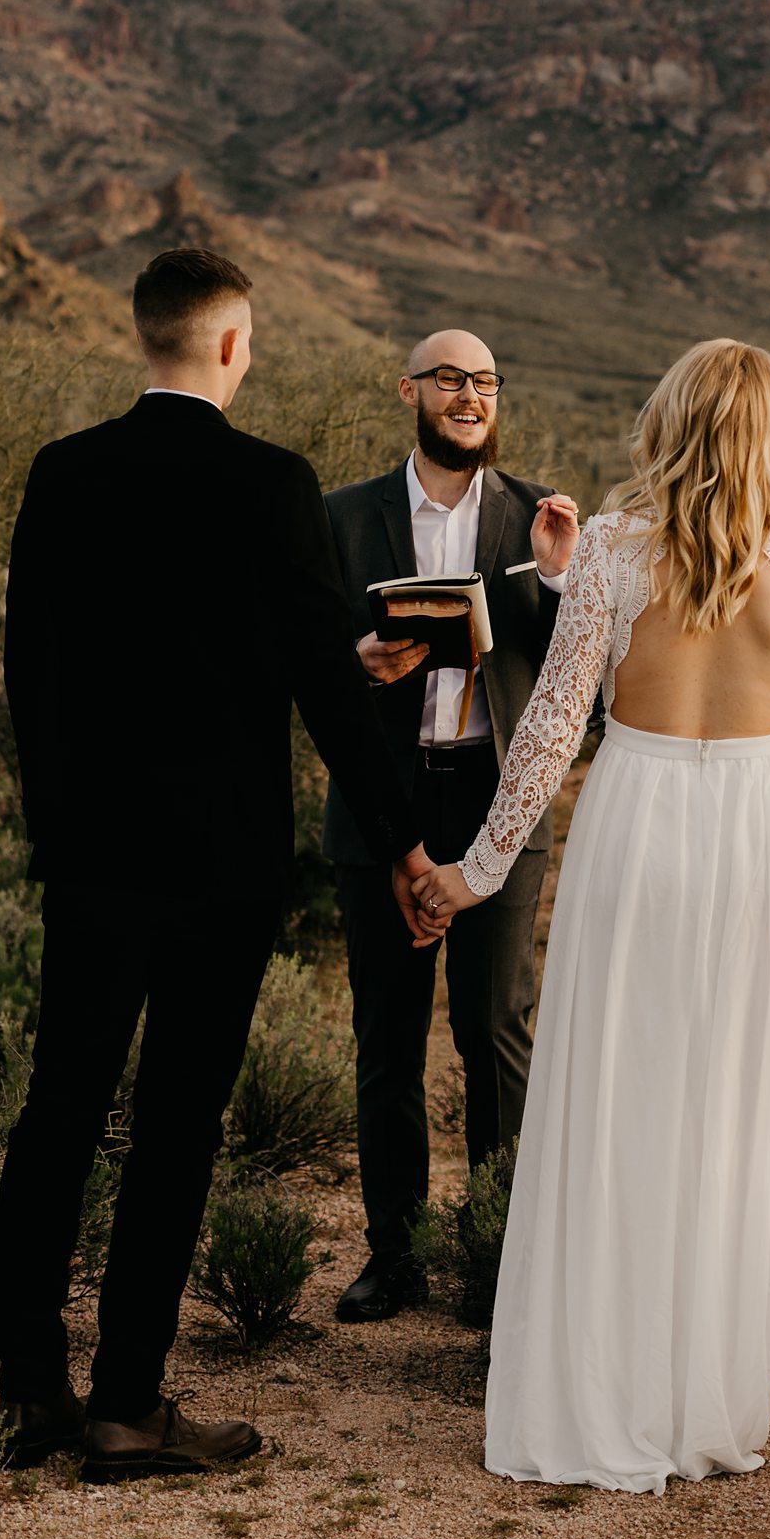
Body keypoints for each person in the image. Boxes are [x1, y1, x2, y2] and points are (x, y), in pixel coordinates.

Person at [0, 248, 432, 1477]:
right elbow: (319, 688)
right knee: (175, 1126)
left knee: (60, 1108)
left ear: (147, 339)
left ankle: (31, 1394)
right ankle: (128, 1404)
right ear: (232, 345)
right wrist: (400, 838)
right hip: (221, 869)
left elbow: (31, 669)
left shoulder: (64, 474)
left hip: (89, 863)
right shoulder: (269, 485)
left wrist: (56, 834)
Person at [415, 339, 770, 1492]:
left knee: (616, 1101)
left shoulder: (616, 556)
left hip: (640, 827)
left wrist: (473, 871)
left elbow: (551, 734)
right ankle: (704, 1406)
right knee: (737, 1115)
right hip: (766, 849)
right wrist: (763, 770)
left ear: (667, 424)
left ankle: (597, 1392)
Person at [322, 328, 579, 1322]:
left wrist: (555, 581)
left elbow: (574, 677)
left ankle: (498, 1256)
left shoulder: (539, 518)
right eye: (448, 379)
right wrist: (354, 663)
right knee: (385, 1038)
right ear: (409, 391)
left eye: (484, 381)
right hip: (381, 801)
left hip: (497, 800)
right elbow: (301, 658)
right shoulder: (342, 517)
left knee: (493, 1029)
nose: (469, 394)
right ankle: (395, 1256)